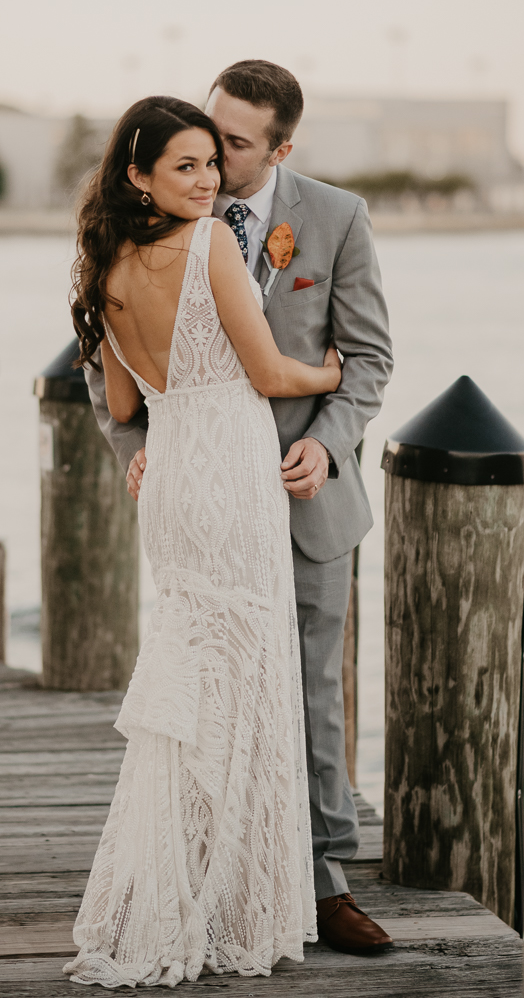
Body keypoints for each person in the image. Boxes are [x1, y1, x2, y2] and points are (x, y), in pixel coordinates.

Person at [87, 62, 394, 960]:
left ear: (283, 147)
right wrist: (136, 449)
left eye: (234, 145)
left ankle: (323, 878)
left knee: (310, 696)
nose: (214, 160)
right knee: (218, 686)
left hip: (302, 496)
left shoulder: (337, 217)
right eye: (203, 139)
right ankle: (220, 877)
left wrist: (328, 442)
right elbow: (110, 389)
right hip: (211, 490)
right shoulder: (173, 233)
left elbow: (370, 357)